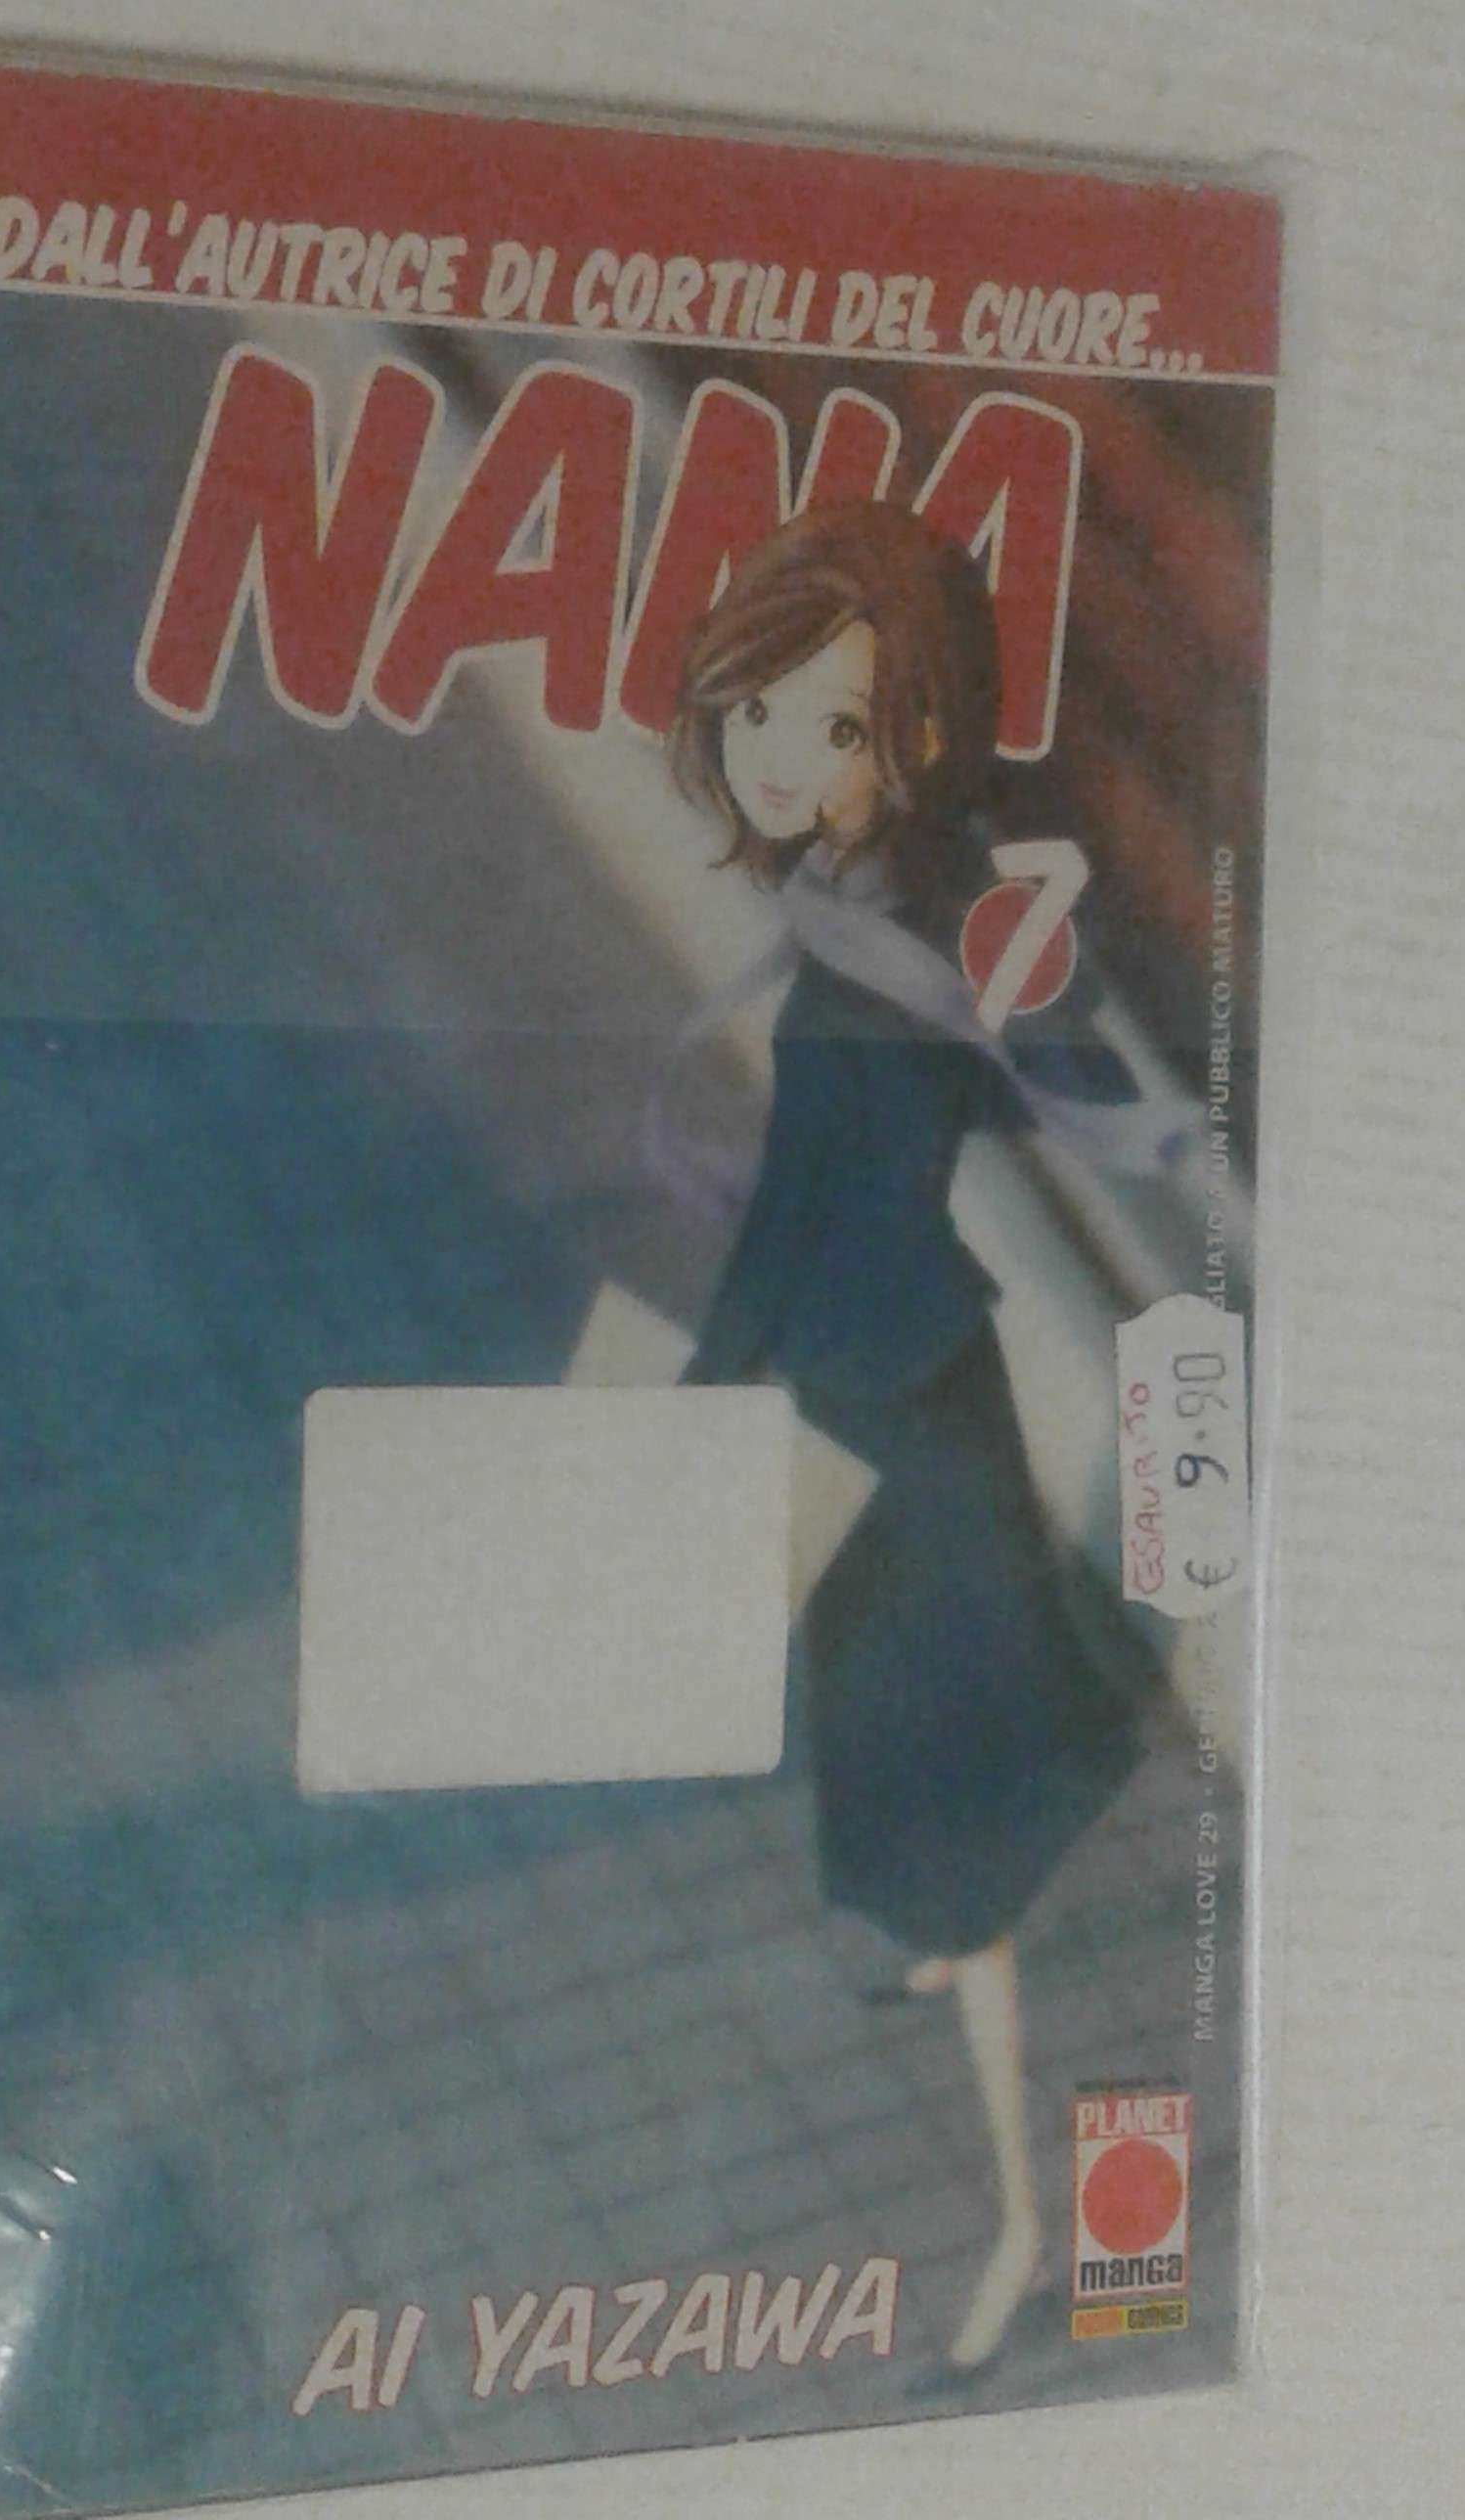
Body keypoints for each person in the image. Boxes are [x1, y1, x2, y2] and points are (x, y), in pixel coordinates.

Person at [667, 502, 1151, 2374]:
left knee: (953, 1807)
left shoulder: (894, 956)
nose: (783, 761)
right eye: (762, 719)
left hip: (898, 1418)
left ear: (918, 736)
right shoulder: (888, 922)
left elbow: (806, 1214)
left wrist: (707, 1398)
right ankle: (962, 1904)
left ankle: (1025, 2218)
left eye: (837, 725)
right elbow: (811, 1206)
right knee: (903, 1743)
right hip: (885, 1391)